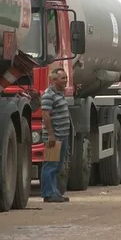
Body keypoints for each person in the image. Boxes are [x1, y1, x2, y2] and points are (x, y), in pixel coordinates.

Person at [40, 68, 71, 203]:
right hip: (55, 137)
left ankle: (55, 192)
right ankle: (48, 194)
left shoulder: (59, 93)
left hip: (62, 136)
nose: (65, 80)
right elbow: (45, 115)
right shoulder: (48, 95)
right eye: (62, 78)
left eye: (66, 78)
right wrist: (51, 135)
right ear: (54, 80)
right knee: (50, 165)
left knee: (57, 166)